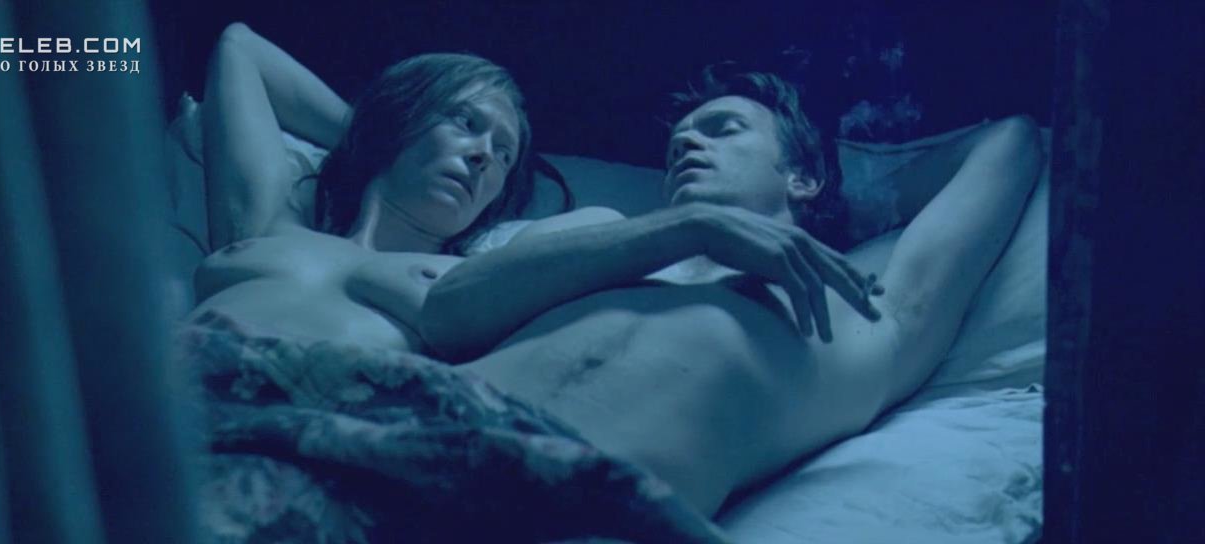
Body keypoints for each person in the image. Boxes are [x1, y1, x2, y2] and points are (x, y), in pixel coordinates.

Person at [422, 64, 1045, 515]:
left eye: (723, 129)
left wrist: (833, 185)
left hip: (571, 513)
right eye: (676, 146)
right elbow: (445, 315)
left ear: (802, 174)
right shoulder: (600, 235)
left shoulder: (862, 309)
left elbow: (1011, 141)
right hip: (411, 434)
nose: (687, 144)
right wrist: (689, 228)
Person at [191, 23, 534, 351]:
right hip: (188, 374)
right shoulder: (271, 223)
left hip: (339, 388)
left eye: (504, 155)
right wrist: (371, 139)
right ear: (401, 120)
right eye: (466, 122)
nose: (484, 155)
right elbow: (241, 47)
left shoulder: (471, 280)